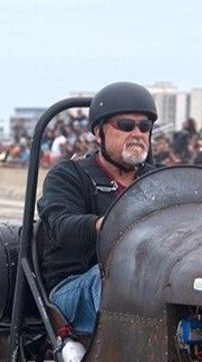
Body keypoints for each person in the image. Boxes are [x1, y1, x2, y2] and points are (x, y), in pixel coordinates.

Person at [37, 81, 157, 336]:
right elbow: (60, 225)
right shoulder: (69, 175)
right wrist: (105, 224)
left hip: (147, 278)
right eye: (125, 125)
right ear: (98, 132)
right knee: (117, 279)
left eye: (144, 126)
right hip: (75, 284)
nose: (137, 133)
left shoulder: (159, 180)